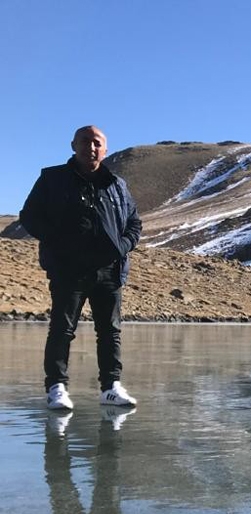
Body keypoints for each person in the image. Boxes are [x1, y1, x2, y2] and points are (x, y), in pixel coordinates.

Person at [19, 125, 142, 410]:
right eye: (85, 141)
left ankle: (111, 388)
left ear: (105, 149)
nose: (91, 147)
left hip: (109, 270)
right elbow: (30, 215)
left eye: (97, 143)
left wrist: (122, 247)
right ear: (73, 145)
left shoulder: (117, 184)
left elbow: (134, 223)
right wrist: (58, 243)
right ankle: (56, 388)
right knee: (62, 328)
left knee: (110, 330)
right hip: (68, 269)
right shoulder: (52, 178)